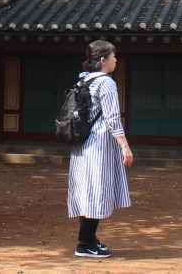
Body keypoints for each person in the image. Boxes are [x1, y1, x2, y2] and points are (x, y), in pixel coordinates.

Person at [67, 40, 133, 258]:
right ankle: (84, 244)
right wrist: (125, 146)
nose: (116, 60)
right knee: (96, 190)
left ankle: (89, 238)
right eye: (113, 57)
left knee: (88, 190)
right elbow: (113, 118)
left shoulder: (83, 80)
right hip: (99, 144)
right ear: (103, 60)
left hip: (82, 143)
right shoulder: (106, 83)